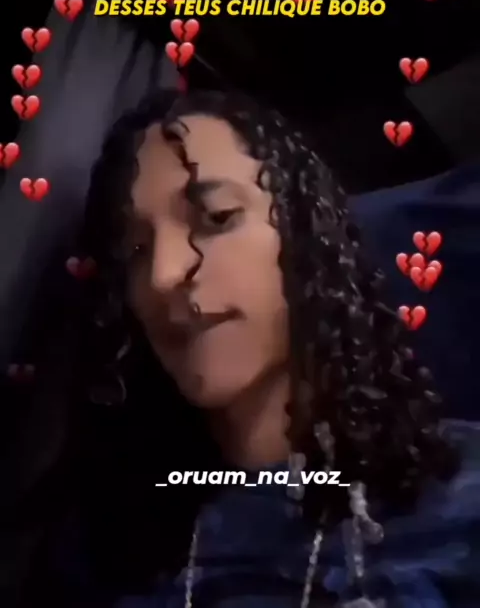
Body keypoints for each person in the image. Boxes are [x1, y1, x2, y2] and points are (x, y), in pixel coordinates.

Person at [44, 89, 479, 608]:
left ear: (308, 234)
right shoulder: (107, 538)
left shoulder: (459, 502)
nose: (162, 275)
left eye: (216, 218)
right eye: (134, 249)